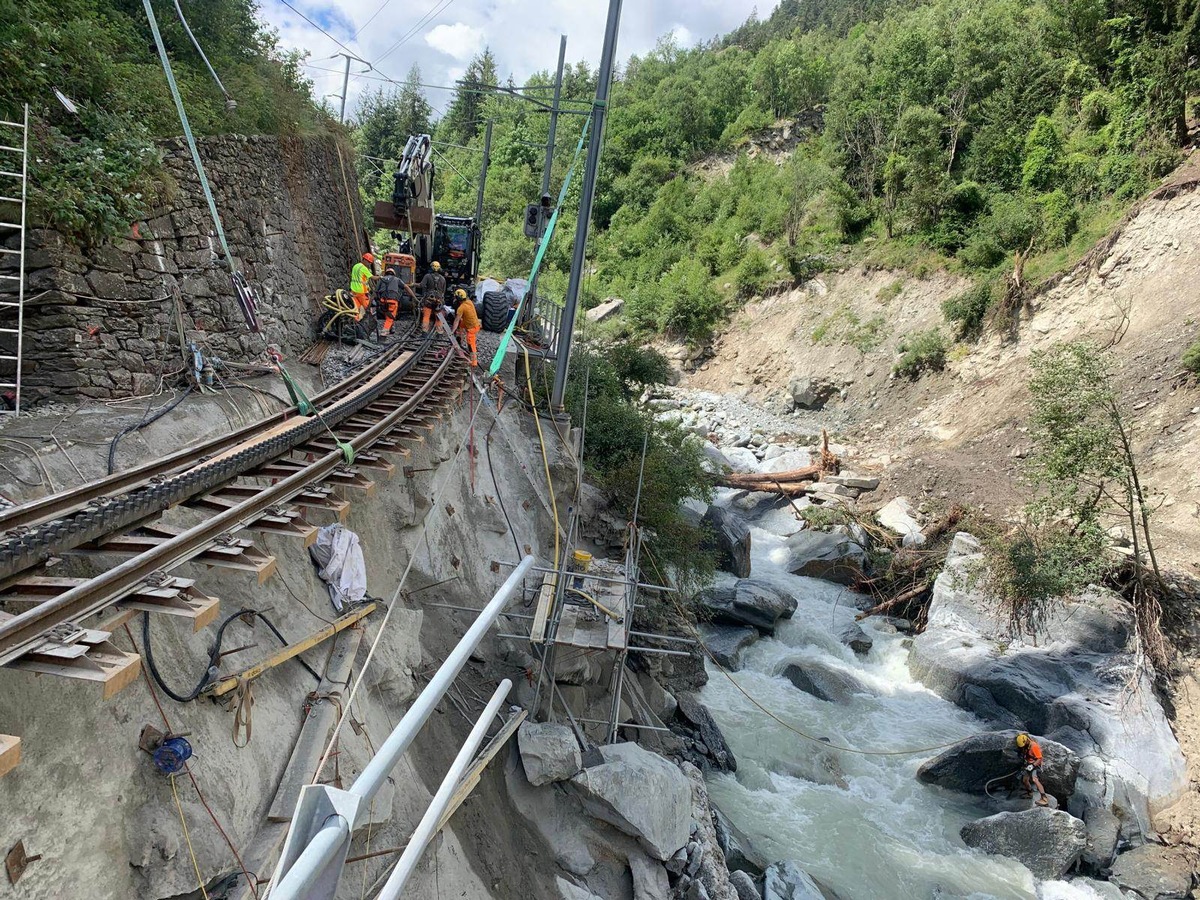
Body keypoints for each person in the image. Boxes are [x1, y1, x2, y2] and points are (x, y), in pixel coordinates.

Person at [1015, 733, 1049, 806]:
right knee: (1025, 779)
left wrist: (1033, 765)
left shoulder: (1033, 746)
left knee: (1035, 779)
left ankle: (1044, 799)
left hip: (1035, 765)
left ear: (1026, 741)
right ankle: (1030, 793)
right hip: (1028, 764)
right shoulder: (1025, 745)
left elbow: (1039, 758)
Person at [450, 288, 480, 366]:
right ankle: (459, 339)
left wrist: (452, 331)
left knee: (471, 345)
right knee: (461, 324)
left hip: (472, 328)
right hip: (472, 323)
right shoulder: (469, 302)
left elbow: (456, 320)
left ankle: (474, 362)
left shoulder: (461, 308)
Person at [417, 261, 446, 332]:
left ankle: (424, 331)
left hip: (429, 300)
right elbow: (443, 291)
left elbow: (422, 285)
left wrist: (413, 284)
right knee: (439, 317)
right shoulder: (443, 279)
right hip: (439, 300)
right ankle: (439, 331)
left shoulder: (427, 276)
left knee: (426, 315)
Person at [374, 267, 403, 334]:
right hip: (393, 301)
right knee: (390, 318)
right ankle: (384, 332)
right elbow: (405, 287)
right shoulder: (397, 279)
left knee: (388, 315)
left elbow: (376, 291)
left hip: (383, 301)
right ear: (394, 274)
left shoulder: (381, 280)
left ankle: (392, 328)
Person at [350, 252, 375, 321]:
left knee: (356, 308)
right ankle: (368, 324)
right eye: (369, 262)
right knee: (367, 308)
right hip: (361, 292)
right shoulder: (364, 268)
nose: (369, 264)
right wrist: (381, 277)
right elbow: (373, 277)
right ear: (364, 260)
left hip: (353, 291)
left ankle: (355, 322)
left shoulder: (355, 266)